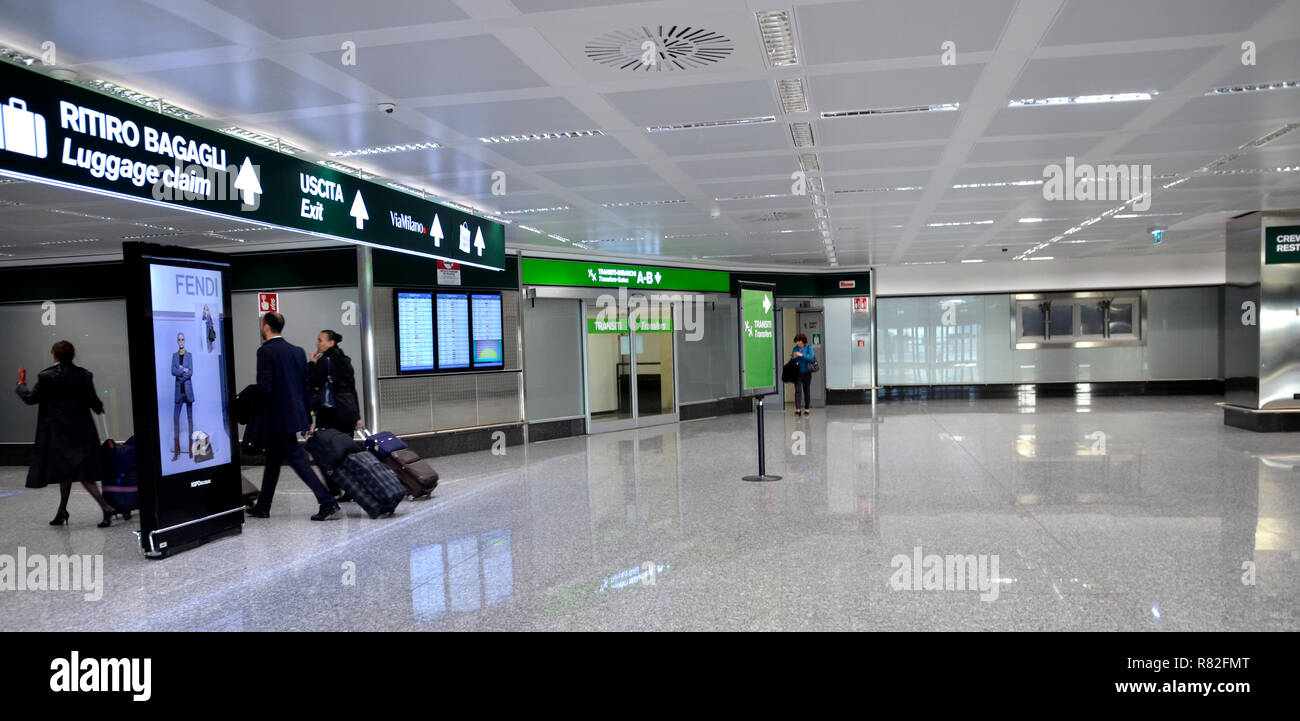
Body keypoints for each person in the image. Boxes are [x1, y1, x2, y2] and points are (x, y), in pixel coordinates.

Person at [245, 312, 341, 522]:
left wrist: (247, 396)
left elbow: (265, 387)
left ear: (267, 327)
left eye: (262, 324)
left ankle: (327, 501)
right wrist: (307, 415)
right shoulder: (297, 352)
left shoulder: (265, 352)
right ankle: (263, 506)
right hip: (293, 415)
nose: (262, 327)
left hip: (277, 418)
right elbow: (305, 386)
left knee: (298, 461)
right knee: (273, 461)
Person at [14, 341, 120, 527]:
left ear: (54, 355)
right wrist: (99, 407)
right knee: (75, 471)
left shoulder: (46, 377)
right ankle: (62, 511)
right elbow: (92, 400)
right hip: (83, 430)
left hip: (59, 433)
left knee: (72, 470)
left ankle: (106, 507)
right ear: (72, 355)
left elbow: (30, 398)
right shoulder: (84, 375)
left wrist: (21, 382)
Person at [308, 329, 362, 434]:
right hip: (348, 413)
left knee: (329, 446)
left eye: (320, 340)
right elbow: (352, 388)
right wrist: (357, 416)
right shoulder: (345, 361)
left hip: (330, 414)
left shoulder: (324, 361)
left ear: (331, 343)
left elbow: (312, 382)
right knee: (346, 446)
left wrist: (311, 364)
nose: (317, 343)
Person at [171, 332, 194, 461]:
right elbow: (172, 371)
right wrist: (182, 370)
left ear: (185, 341)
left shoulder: (189, 355)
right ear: (177, 341)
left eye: (182, 339)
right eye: (179, 339)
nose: (181, 341)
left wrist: (180, 374)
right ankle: (177, 451)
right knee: (175, 419)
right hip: (178, 392)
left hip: (188, 391)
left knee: (190, 419)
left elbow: (191, 371)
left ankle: (191, 450)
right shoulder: (174, 356)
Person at [790, 333, 815, 417]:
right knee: (798, 391)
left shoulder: (809, 347)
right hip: (797, 372)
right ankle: (798, 409)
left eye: (798, 341)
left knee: (806, 390)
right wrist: (793, 357)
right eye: (796, 341)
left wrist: (801, 355)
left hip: (807, 372)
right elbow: (792, 359)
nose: (797, 343)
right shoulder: (795, 348)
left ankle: (807, 408)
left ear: (802, 341)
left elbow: (811, 358)